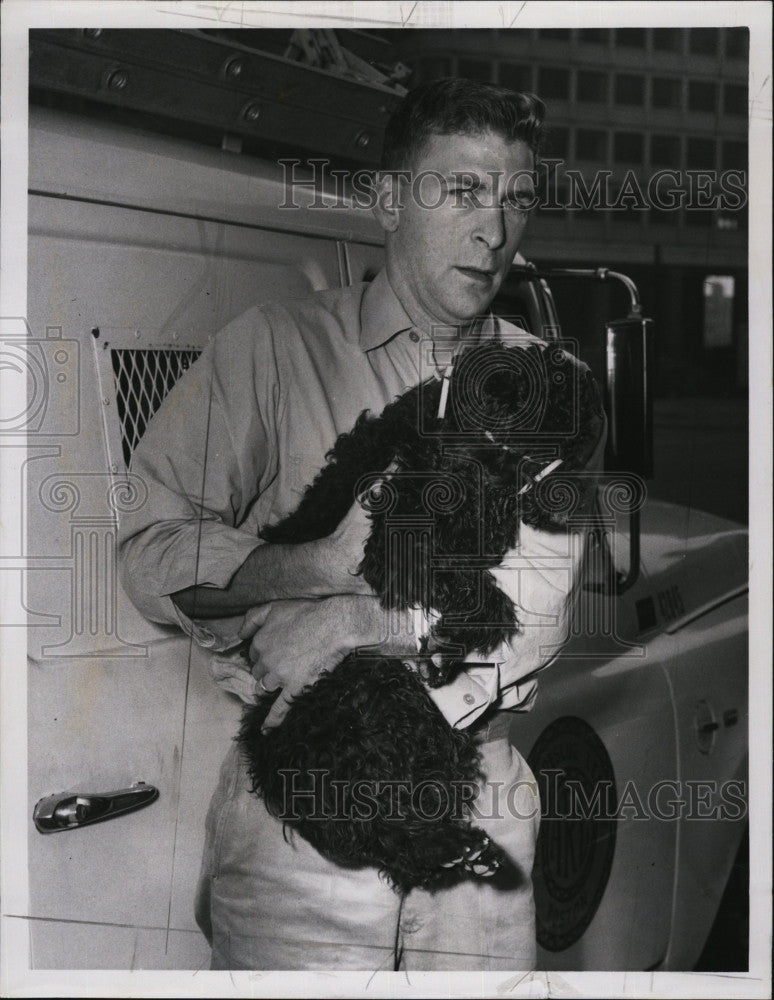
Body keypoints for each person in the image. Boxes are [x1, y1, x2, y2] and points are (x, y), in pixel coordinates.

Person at [118, 77, 605, 971]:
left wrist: (353, 621)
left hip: (476, 814)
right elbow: (149, 554)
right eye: (463, 192)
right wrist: (315, 568)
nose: (495, 234)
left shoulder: (550, 390)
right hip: (299, 825)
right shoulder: (270, 350)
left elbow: (535, 615)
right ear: (387, 200)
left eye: (516, 201)